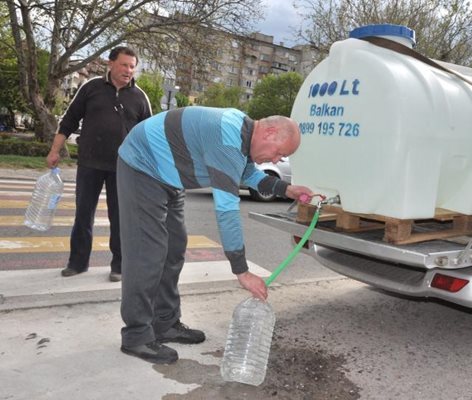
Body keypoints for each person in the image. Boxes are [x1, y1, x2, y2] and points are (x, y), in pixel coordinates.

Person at [116, 106, 312, 364]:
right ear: (270, 131)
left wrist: (287, 190)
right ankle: (137, 335)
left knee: (174, 249)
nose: (276, 160)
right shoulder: (227, 141)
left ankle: (164, 323)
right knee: (147, 253)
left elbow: (248, 174)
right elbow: (227, 209)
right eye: (280, 153)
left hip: (169, 176)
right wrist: (241, 271)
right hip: (142, 165)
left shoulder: (243, 132)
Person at [46, 46, 152, 282]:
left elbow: (149, 135)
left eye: (132, 66)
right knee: (83, 214)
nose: (128, 70)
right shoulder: (91, 88)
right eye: (124, 65)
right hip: (90, 163)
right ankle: (78, 262)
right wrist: (55, 150)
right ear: (110, 63)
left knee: (120, 217)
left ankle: (120, 265)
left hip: (125, 167)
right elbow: (69, 121)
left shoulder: (140, 97)